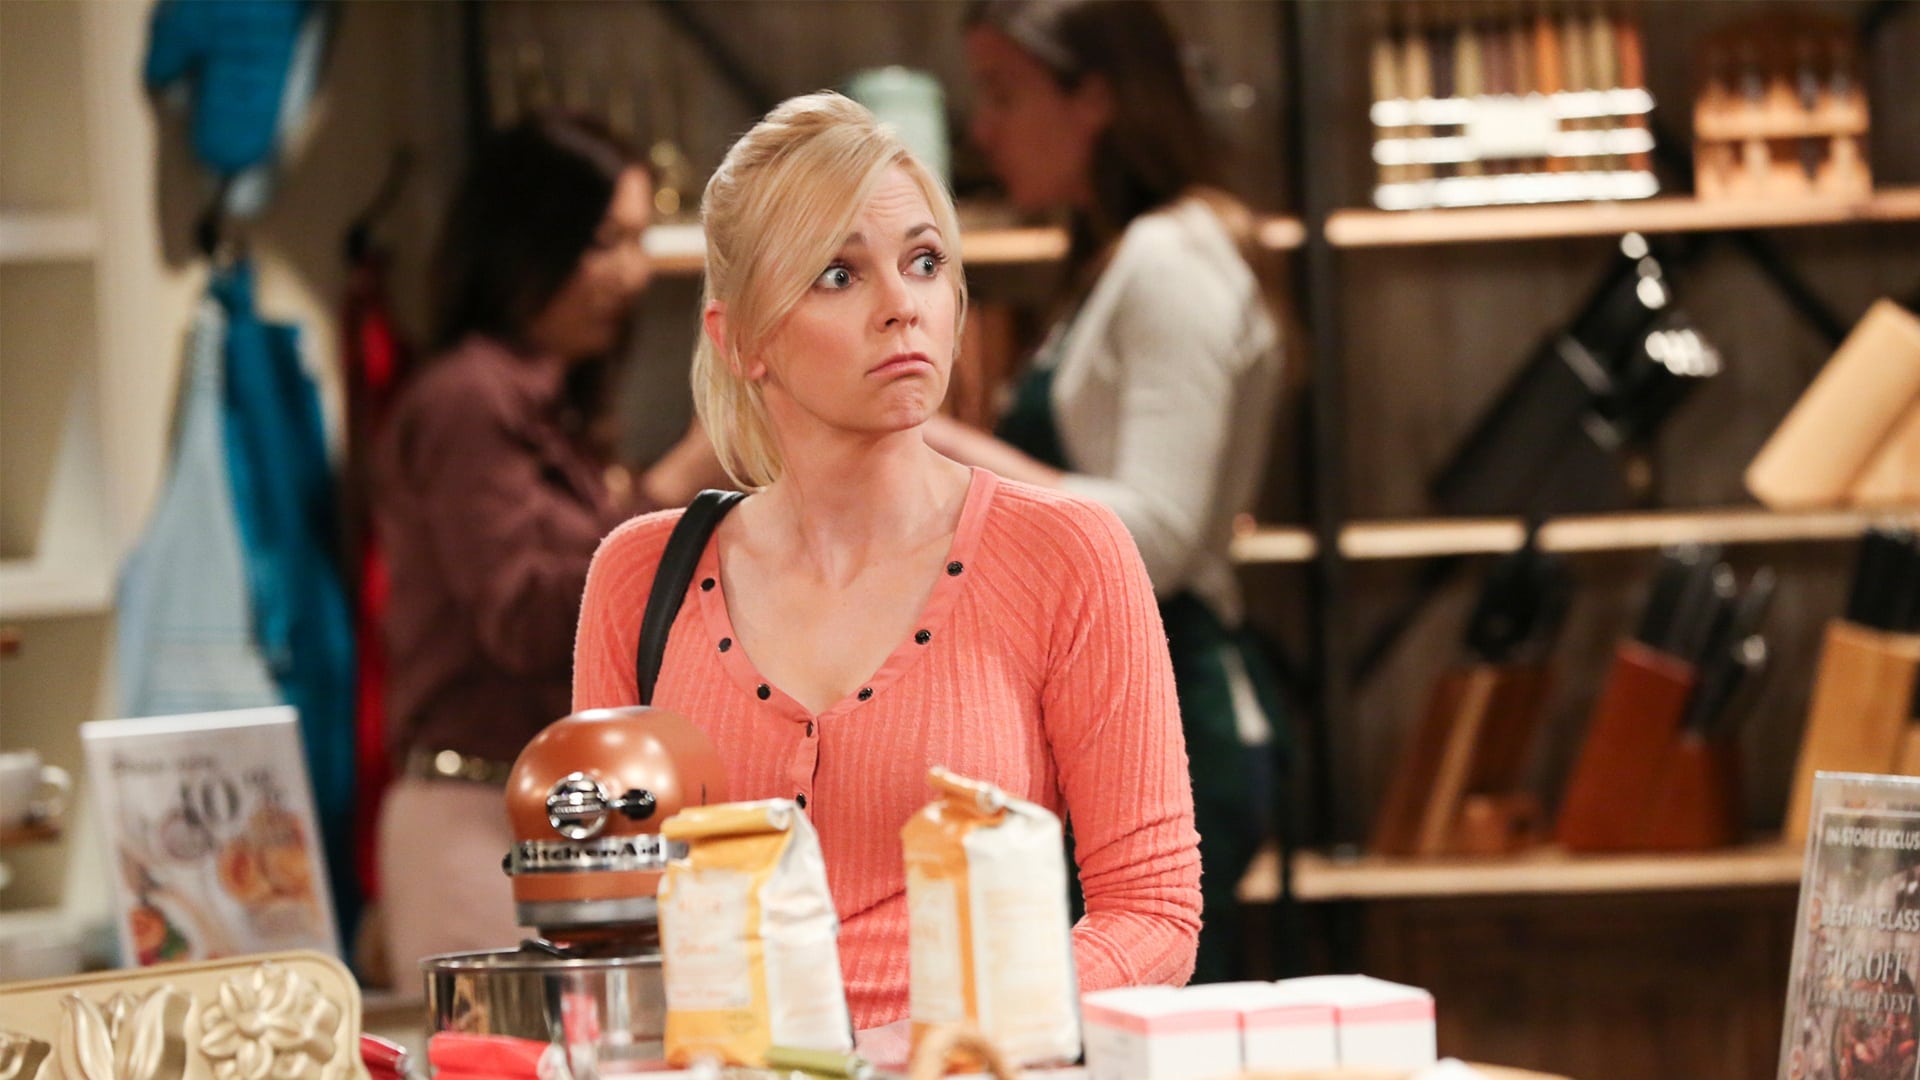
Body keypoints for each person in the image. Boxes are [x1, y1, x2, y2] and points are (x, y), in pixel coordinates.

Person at [572, 92, 1201, 1040]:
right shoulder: (638, 577)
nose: (902, 305)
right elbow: (605, 923)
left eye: (925, 262)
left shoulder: (1067, 554)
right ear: (740, 341)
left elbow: (1152, 911)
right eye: (838, 274)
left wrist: (950, 1039)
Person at [923, 0, 1288, 983]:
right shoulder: (1114, 259)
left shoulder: (1171, 259)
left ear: (1094, 97)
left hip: (1173, 710)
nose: (983, 129)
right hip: (1118, 708)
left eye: (1005, 94)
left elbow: (1157, 535)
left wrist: (933, 444)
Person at [372, 112, 720, 994]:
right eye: (606, 243)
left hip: (557, 815)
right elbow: (525, 616)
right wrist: (677, 481)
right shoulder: (468, 401)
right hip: (474, 814)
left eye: (638, 242)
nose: (632, 274)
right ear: (528, 239)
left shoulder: (550, 411)